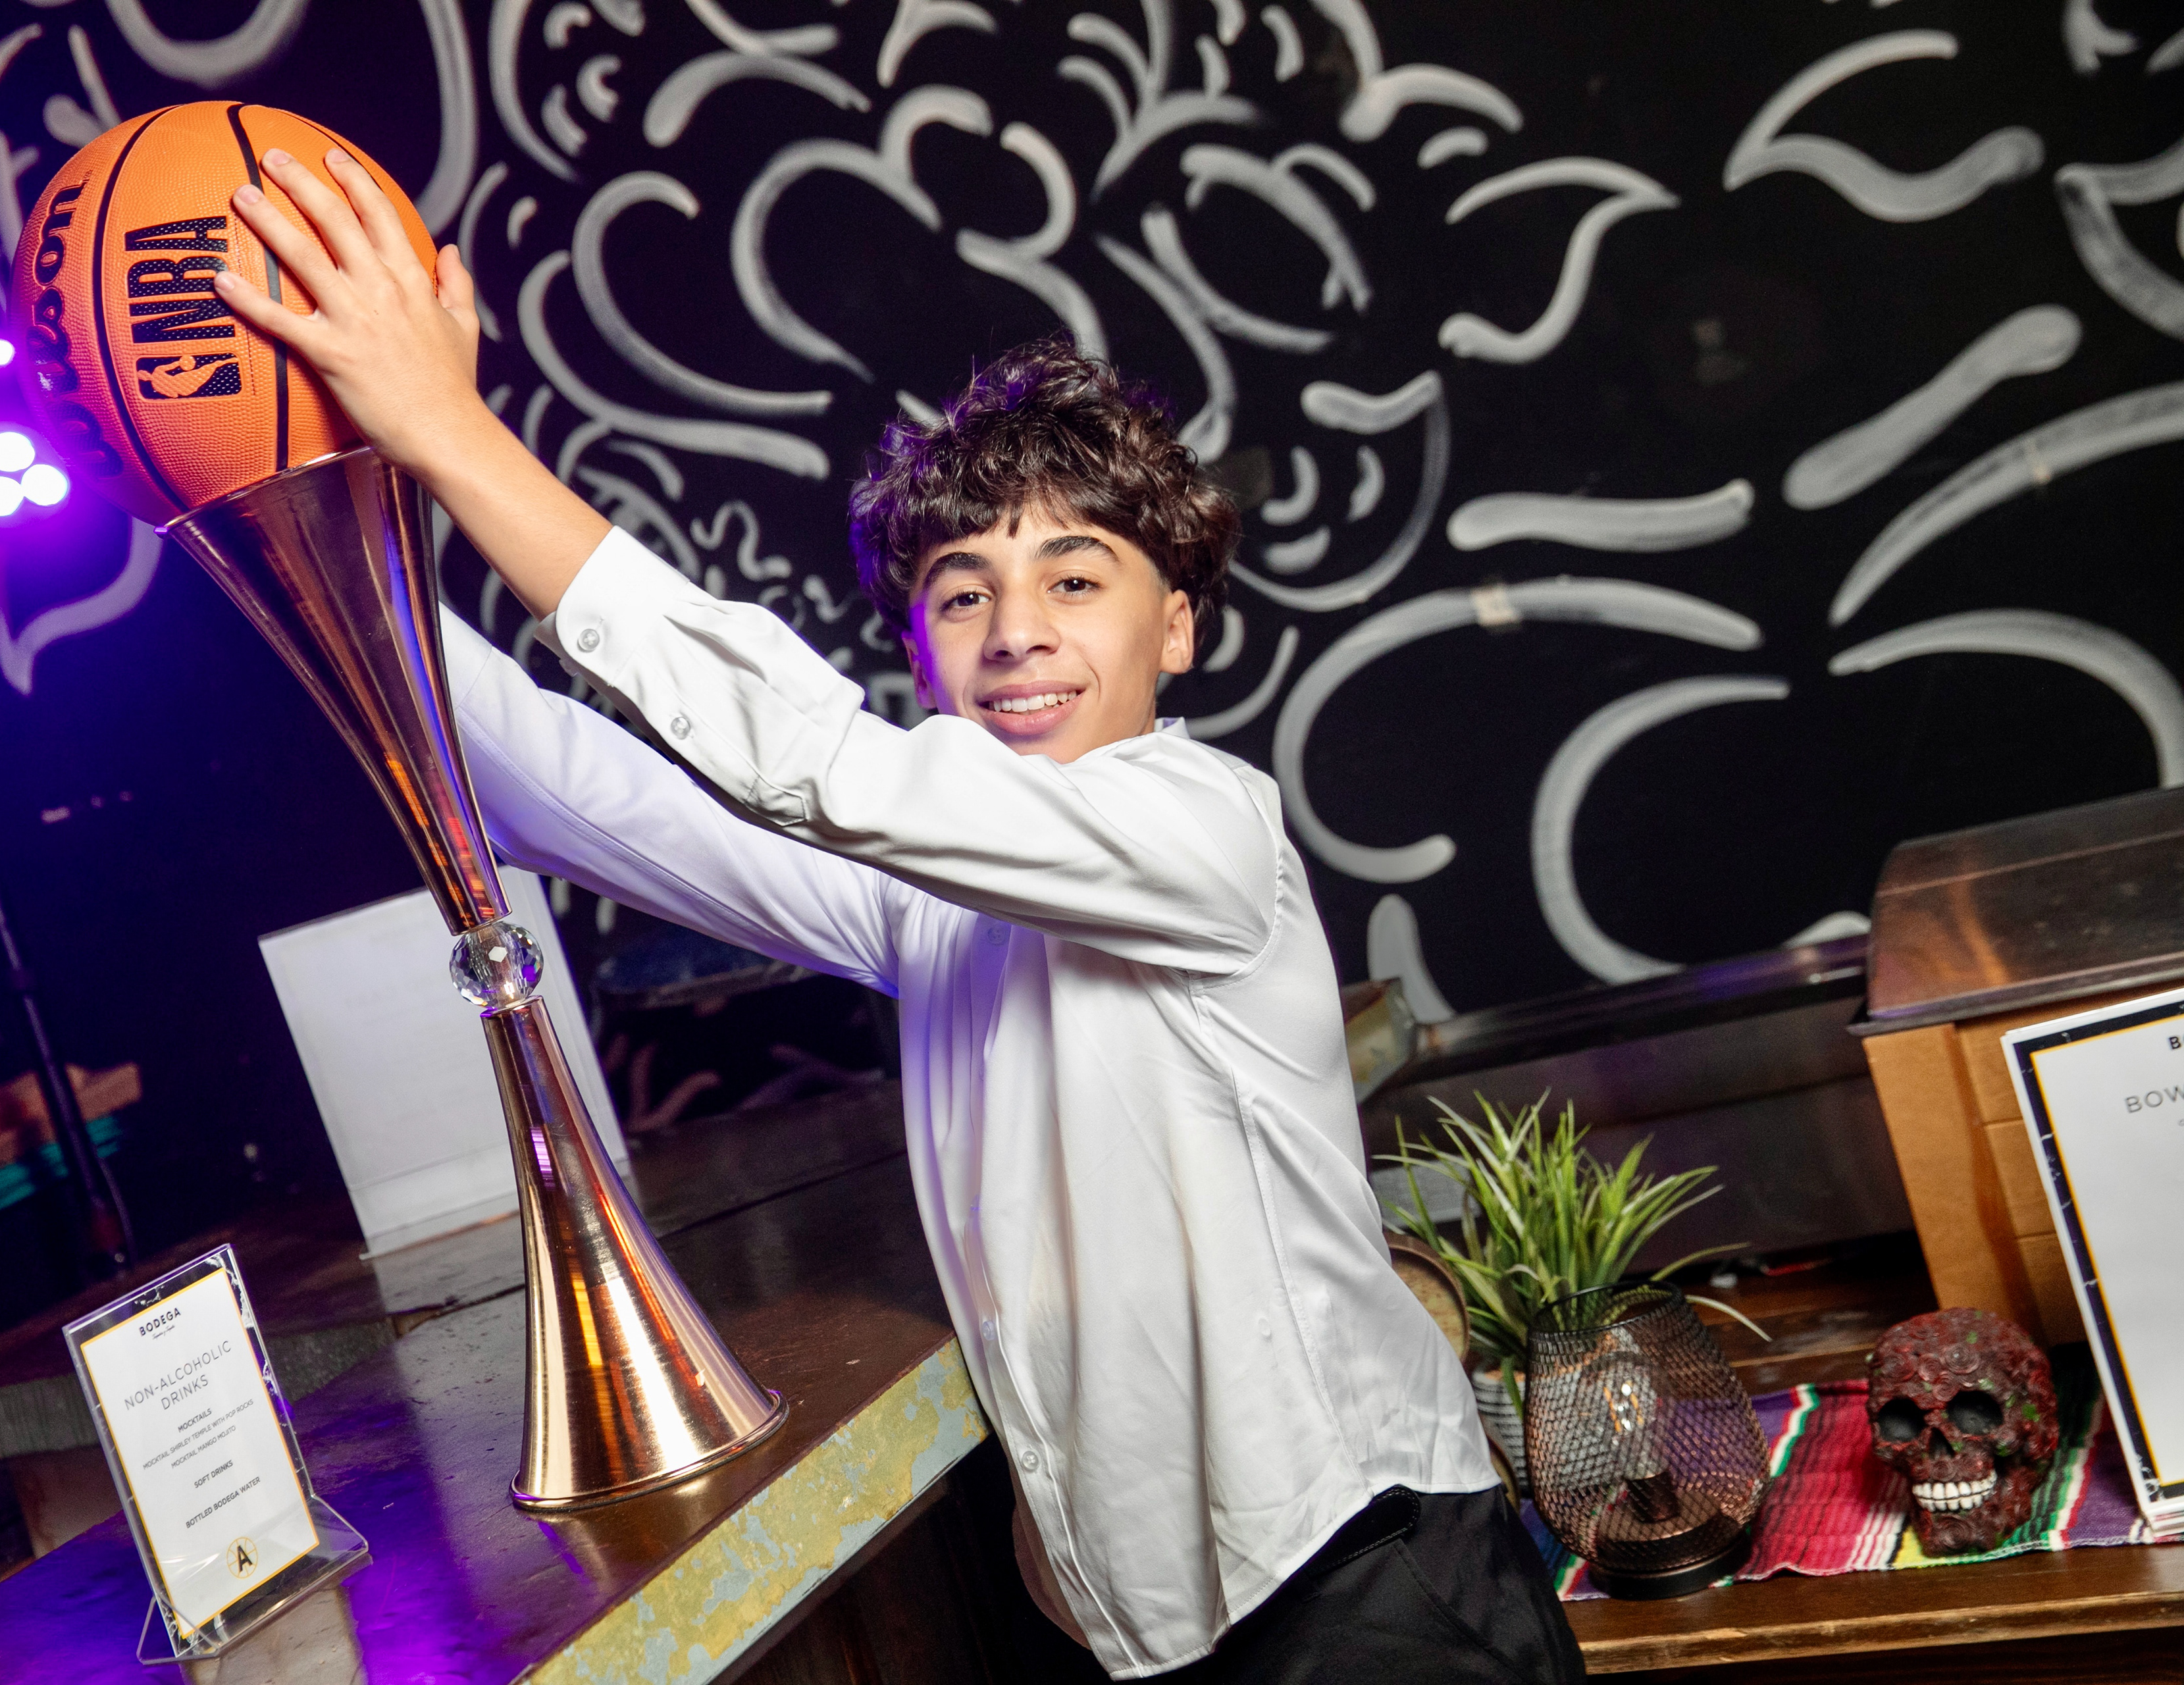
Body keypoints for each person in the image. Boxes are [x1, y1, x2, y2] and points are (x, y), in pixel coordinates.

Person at [213, 147, 1584, 1684]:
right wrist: (300, 513)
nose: (1017, 634)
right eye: (961, 594)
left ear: (1178, 627)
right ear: (922, 654)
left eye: (1077, 579)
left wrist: (453, 433)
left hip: (1370, 1583)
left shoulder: (1210, 832)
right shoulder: (931, 900)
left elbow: (818, 760)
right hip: (1151, 1634)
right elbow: (580, 791)